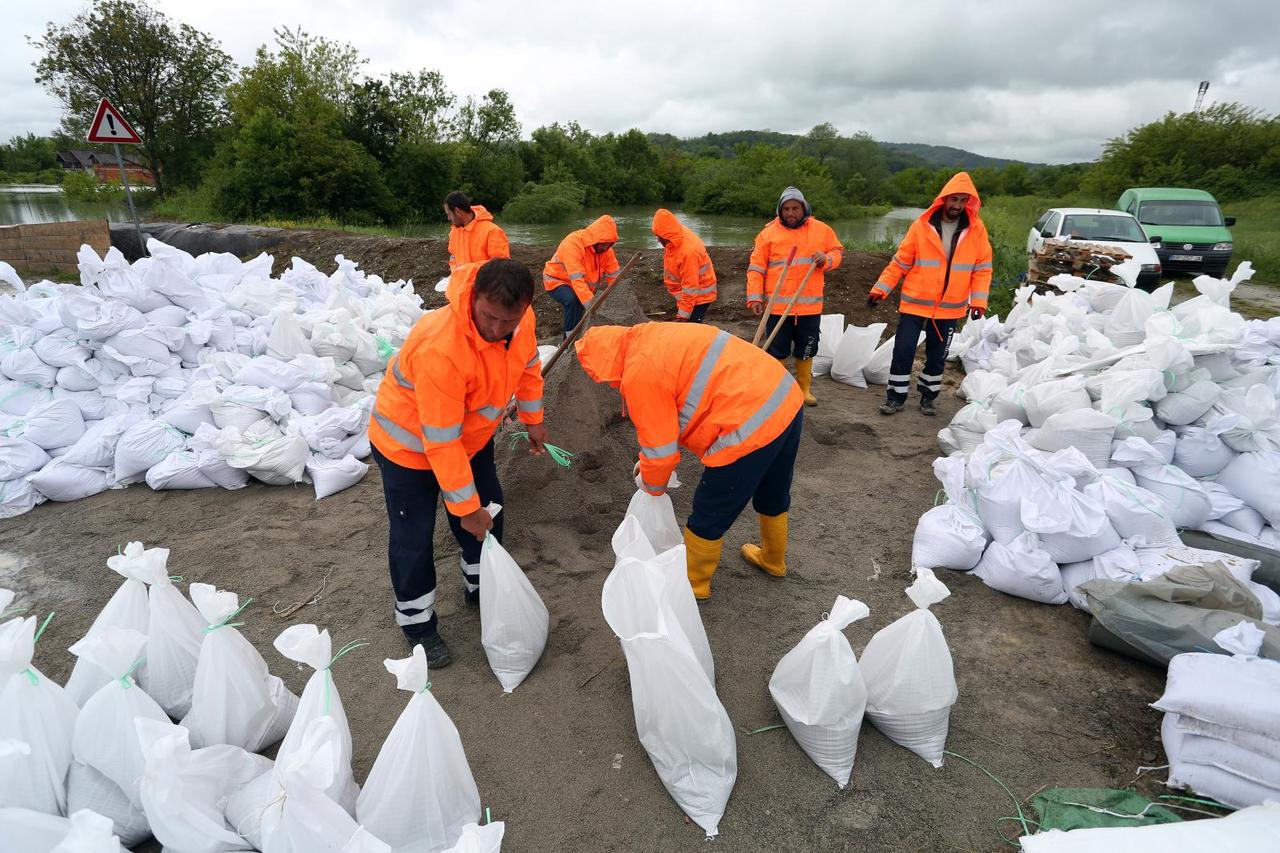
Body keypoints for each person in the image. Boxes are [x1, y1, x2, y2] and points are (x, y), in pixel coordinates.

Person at [368, 258, 550, 665]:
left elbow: (529, 365)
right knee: (414, 538)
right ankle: (417, 626)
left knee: (490, 514)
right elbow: (440, 443)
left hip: (468, 439)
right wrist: (464, 509)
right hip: (409, 449)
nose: (497, 329)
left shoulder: (520, 319)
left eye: (509, 320)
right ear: (473, 299)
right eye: (489, 317)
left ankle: (480, 586)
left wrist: (533, 418)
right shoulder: (443, 347)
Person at [576, 322, 804, 601]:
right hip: (784, 395)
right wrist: (647, 460)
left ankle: (693, 584)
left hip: (747, 423)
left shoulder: (639, 375)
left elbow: (660, 453)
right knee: (773, 488)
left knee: (711, 506)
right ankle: (773, 559)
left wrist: (653, 487)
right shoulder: (651, 335)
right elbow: (679, 403)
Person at [868, 172, 991, 416]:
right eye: (953, 199)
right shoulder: (921, 226)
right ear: (944, 199)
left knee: (937, 356)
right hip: (914, 303)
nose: (957, 205)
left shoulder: (976, 230)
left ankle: (928, 397)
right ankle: (895, 398)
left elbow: (982, 269)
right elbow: (900, 262)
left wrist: (978, 301)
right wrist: (880, 289)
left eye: (963, 200)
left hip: (949, 308)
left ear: (969, 202)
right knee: (903, 351)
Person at [747, 187, 844, 407]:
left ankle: (804, 389)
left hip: (809, 308)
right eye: (787, 209)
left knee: (807, 348)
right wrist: (754, 297)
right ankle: (777, 391)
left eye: (795, 208)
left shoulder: (822, 230)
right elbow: (756, 268)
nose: (791, 213)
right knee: (777, 349)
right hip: (778, 306)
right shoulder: (768, 234)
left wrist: (826, 259)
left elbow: (837, 252)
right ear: (780, 211)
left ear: (804, 208)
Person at [543, 215, 621, 338]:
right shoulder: (573, 244)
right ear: (595, 239)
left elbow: (614, 276)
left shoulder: (606, 251)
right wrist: (592, 305)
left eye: (609, 244)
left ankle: (580, 333)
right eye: (603, 244)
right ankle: (569, 340)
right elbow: (577, 279)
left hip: (580, 285)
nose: (606, 248)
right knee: (573, 300)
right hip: (556, 280)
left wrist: (620, 297)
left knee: (581, 303)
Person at [652, 208, 717, 322]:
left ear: (667, 235)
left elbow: (690, 288)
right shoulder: (675, 237)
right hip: (690, 294)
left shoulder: (688, 252)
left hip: (700, 296)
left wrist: (683, 316)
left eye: (659, 236)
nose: (658, 240)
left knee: (691, 328)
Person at [444, 190, 510, 271]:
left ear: (457, 211)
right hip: (460, 280)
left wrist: (465, 271)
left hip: (484, 282)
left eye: (449, 214)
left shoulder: (493, 231)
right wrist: (457, 273)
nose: (448, 218)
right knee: (441, 284)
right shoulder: (454, 233)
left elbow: (501, 267)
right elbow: (453, 258)